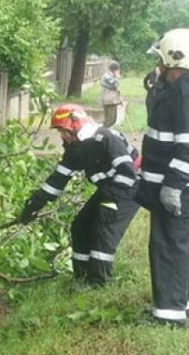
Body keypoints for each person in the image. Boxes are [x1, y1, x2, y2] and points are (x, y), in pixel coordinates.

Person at [137, 28, 189, 327]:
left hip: (183, 192)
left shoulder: (188, 92)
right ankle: (178, 309)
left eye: (161, 60)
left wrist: (172, 186)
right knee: (177, 250)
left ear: (174, 59)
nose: (158, 66)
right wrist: (155, 90)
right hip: (184, 192)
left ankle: (168, 320)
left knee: (171, 251)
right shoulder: (182, 88)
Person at [18, 103, 139, 284]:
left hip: (130, 188)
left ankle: (99, 284)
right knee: (80, 225)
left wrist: (109, 202)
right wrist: (33, 204)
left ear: (74, 125)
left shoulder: (105, 138)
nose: (61, 136)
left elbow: (127, 172)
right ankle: (81, 277)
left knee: (103, 230)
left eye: (62, 130)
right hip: (110, 189)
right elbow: (57, 180)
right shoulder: (76, 149)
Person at [100, 61, 123, 127]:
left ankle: (105, 132)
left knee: (113, 120)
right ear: (114, 69)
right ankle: (103, 133)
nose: (119, 71)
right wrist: (117, 77)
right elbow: (115, 86)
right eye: (118, 69)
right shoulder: (107, 76)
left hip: (112, 100)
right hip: (108, 101)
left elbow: (115, 89)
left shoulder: (111, 76)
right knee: (109, 120)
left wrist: (119, 99)